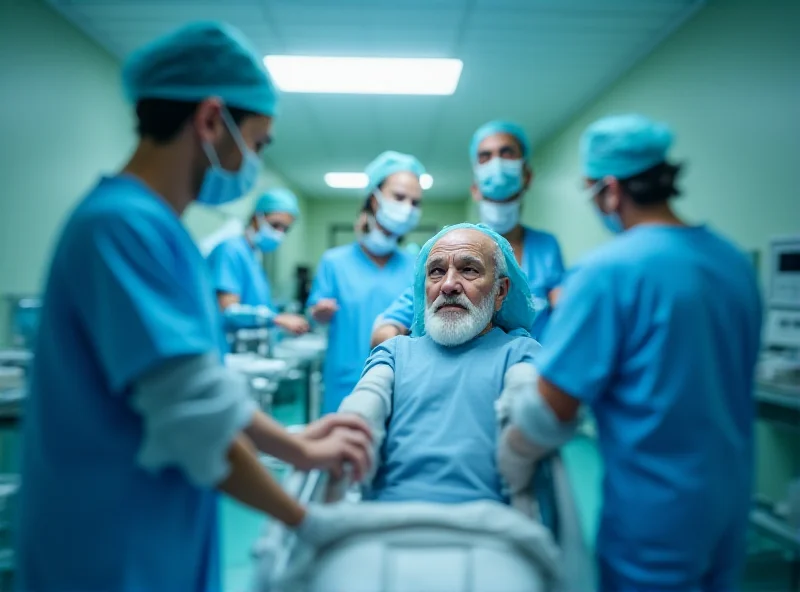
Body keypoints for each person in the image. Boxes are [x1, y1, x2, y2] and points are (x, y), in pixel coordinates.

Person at [15, 22, 371, 592]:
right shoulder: (121, 227)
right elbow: (196, 419)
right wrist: (307, 521)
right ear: (210, 121)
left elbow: (202, 385)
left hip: (154, 528)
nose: (252, 162)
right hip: (107, 545)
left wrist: (296, 447)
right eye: (256, 144)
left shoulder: (158, 229)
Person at [503, 114, 763, 591]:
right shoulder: (735, 263)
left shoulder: (607, 272)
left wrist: (512, 438)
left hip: (656, 514)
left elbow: (549, 412)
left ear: (611, 189)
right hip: (730, 501)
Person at [338, 223, 558, 511]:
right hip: (388, 520)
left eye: (469, 270)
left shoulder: (519, 352)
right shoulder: (395, 352)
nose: (448, 285)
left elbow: (529, 414)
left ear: (500, 291)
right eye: (437, 271)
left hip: (490, 526)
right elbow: (362, 411)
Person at [371, 120, 564, 346]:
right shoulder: (452, 246)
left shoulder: (546, 247)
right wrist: (402, 352)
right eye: (485, 156)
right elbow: (390, 326)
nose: (497, 163)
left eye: (506, 152)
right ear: (474, 189)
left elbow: (566, 311)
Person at [308, 151, 425, 414]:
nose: (407, 207)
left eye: (415, 202)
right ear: (374, 199)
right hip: (346, 381)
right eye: (399, 197)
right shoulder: (334, 262)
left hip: (403, 383)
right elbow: (315, 317)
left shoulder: (417, 266)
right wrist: (319, 314)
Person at [207, 188, 309, 336]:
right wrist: (276, 318)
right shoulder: (231, 250)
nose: (279, 233)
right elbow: (227, 309)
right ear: (257, 217)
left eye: (285, 229)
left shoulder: (252, 256)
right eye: (275, 225)